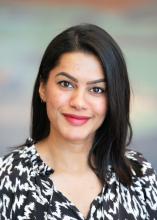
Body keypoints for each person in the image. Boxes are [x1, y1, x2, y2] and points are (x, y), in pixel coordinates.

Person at [0, 23, 157, 220]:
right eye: (66, 84)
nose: (78, 102)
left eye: (97, 89)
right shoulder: (5, 179)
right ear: (42, 87)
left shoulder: (138, 173)